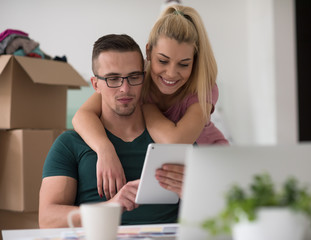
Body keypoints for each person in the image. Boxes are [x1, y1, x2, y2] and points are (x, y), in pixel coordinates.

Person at [72, 4, 229, 200]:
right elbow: (82, 116)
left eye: (184, 64)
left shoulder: (201, 88)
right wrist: (105, 150)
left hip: (211, 162)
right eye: (163, 61)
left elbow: (175, 141)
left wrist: (147, 108)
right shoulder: (135, 79)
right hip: (172, 171)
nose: (171, 73)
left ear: (194, 62)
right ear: (148, 52)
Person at [39, 34, 183, 228]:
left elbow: (220, 213)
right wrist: (108, 208)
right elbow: (47, 219)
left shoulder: (176, 140)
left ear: (144, 78)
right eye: (113, 79)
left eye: (133, 77)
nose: (125, 88)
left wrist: (194, 193)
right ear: (95, 84)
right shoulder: (70, 144)